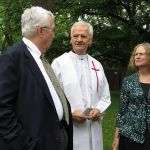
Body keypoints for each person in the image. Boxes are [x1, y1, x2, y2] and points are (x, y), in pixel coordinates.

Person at [0, 6, 73, 150]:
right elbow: (2, 111)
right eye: (53, 29)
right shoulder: (12, 58)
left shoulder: (40, 58)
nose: (54, 34)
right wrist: (26, 145)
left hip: (56, 137)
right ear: (41, 31)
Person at [51, 21, 111, 150]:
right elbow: (52, 97)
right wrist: (70, 114)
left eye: (83, 36)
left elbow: (105, 95)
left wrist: (99, 109)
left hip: (94, 127)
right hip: (70, 127)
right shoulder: (59, 63)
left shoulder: (97, 65)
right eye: (75, 36)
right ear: (70, 39)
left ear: (90, 40)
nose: (79, 40)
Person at [112, 42, 150, 150]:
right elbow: (122, 111)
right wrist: (116, 138)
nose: (137, 56)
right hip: (130, 136)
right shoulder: (128, 81)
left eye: (141, 54)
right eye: (135, 54)